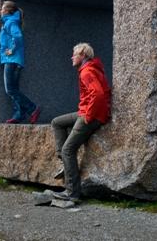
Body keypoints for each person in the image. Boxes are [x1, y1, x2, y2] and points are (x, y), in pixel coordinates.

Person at [50, 42, 111, 202]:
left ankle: (72, 193)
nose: (72, 57)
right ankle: (65, 163)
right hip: (86, 112)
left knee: (68, 150)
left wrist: (88, 116)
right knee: (57, 122)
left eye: (74, 54)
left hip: (92, 115)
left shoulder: (87, 72)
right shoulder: (90, 69)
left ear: (83, 55)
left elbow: (97, 94)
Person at [0, 0, 40, 124]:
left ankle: (32, 108)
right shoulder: (9, 22)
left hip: (11, 60)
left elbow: (18, 36)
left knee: (10, 90)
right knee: (14, 89)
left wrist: (12, 49)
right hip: (14, 61)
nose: (0, 11)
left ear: (7, 11)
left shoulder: (10, 22)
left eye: (2, 9)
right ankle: (19, 115)